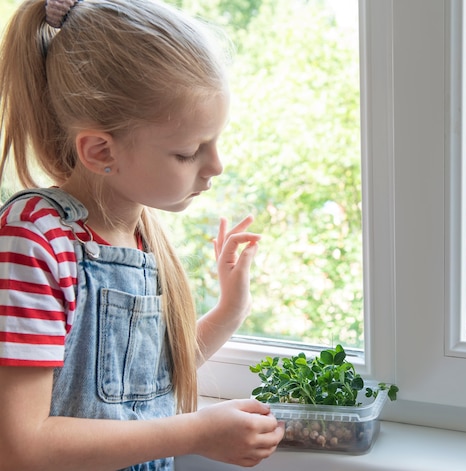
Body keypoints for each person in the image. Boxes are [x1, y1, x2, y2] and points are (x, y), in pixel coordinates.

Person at [0, 0, 284, 469]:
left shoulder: (141, 237)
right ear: (100, 151)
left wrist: (231, 310)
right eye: (189, 152)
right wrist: (197, 431)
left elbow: (142, 383)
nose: (217, 166)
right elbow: (20, 447)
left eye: (216, 142)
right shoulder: (32, 241)